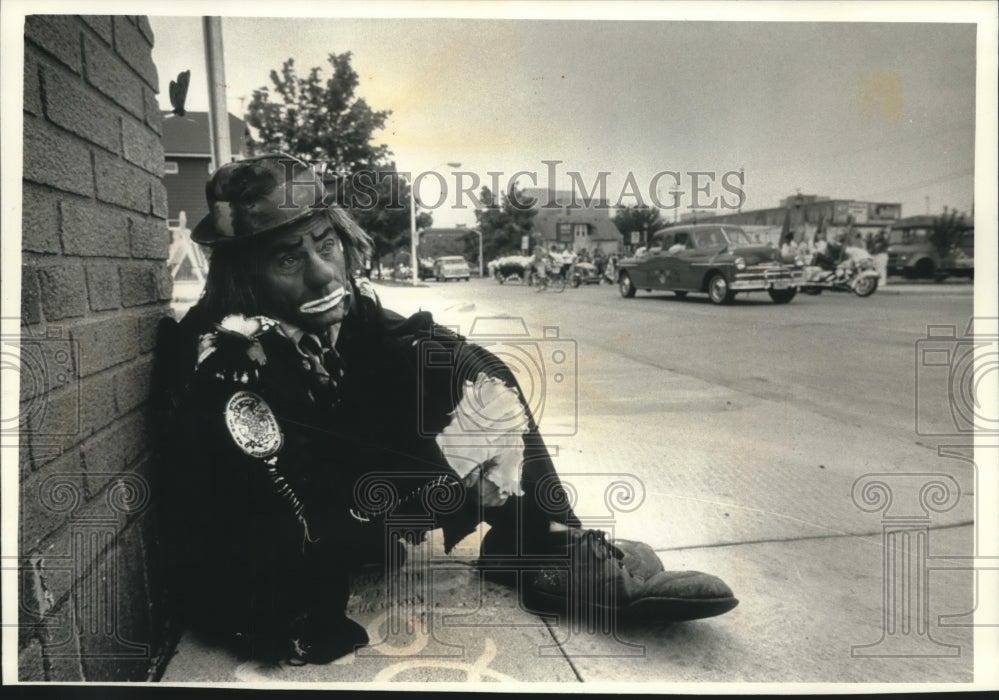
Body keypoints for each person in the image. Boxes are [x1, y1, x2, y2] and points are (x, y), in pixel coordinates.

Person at [153, 154, 738, 666]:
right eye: (287, 258)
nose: (323, 272)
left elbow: (409, 343)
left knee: (462, 366)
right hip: (287, 554)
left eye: (325, 244)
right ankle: (537, 546)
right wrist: (447, 494)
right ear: (243, 275)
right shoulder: (228, 365)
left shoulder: (325, 307)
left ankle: (540, 543)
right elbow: (297, 534)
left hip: (345, 485)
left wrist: (474, 383)